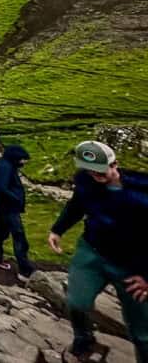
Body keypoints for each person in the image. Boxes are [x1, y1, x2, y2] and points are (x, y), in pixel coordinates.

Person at [48, 141, 148, 362]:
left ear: (115, 165)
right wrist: (58, 229)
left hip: (133, 266)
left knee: (142, 332)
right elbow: (77, 204)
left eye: (101, 172)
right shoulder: (85, 180)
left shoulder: (142, 194)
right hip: (92, 251)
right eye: (91, 172)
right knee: (76, 302)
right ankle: (84, 339)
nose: (97, 176)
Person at [0, 145, 35, 281]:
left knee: (0, 231)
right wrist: (16, 199)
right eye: (22, 159)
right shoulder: (5, 167)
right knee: (19, 236)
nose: (24, 162)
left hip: (4, 205)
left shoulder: (6, 164)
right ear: (15, 158)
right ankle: (25, 271)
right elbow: (2, 187)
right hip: (8, 207)